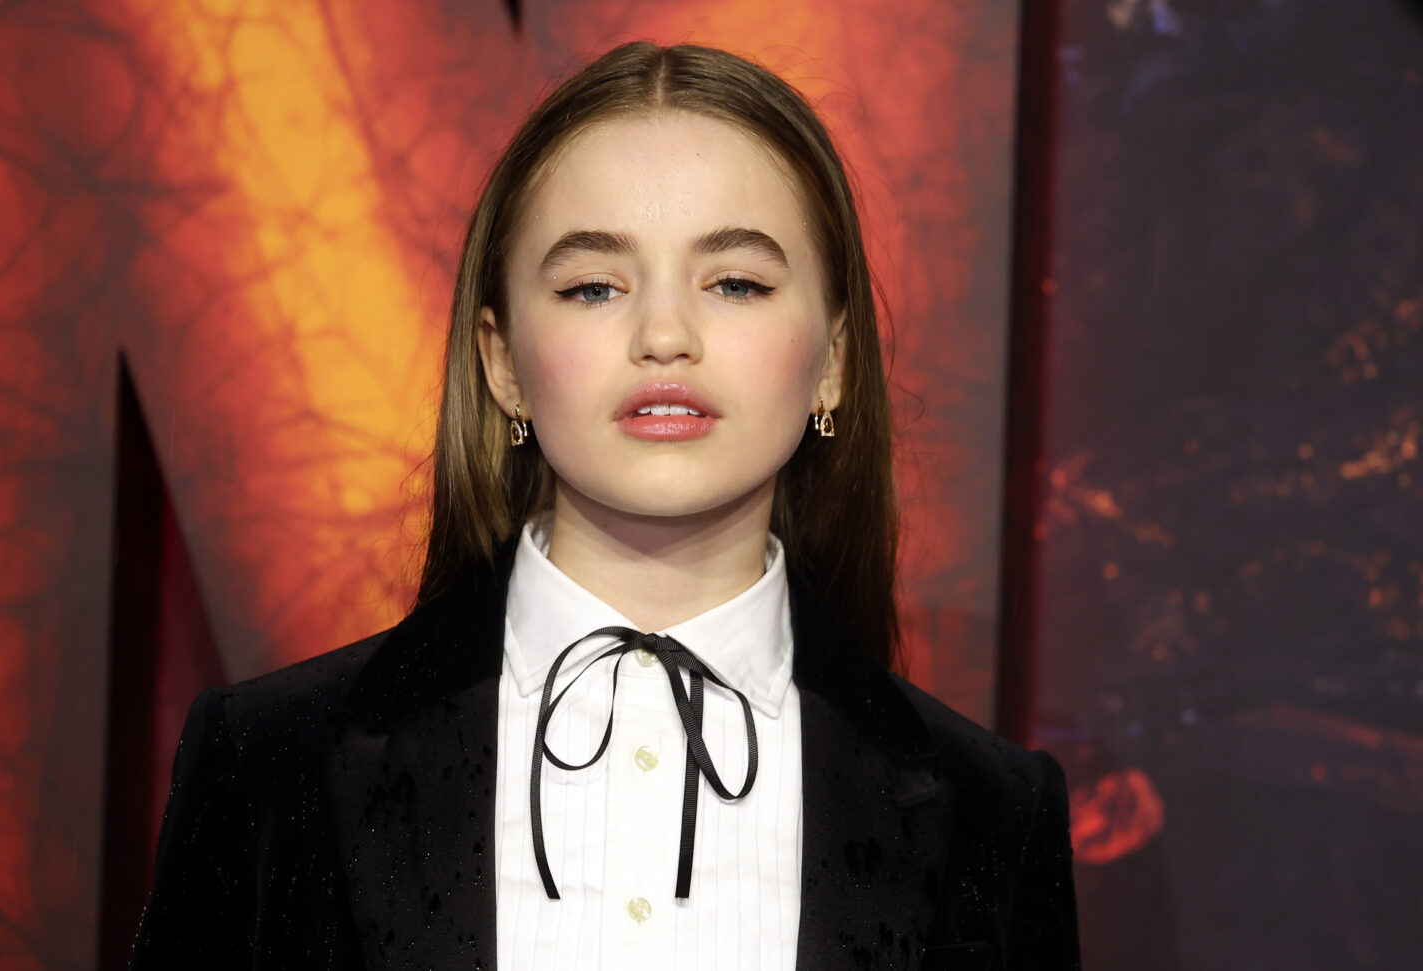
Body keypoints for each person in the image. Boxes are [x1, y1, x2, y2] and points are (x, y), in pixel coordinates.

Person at [131, 41, 1080, 970]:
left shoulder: (993, 812)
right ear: (502, 362)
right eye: (593, 287)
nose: (664, 335)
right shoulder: (266, 760)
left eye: (736, 283)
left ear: (832, 359)